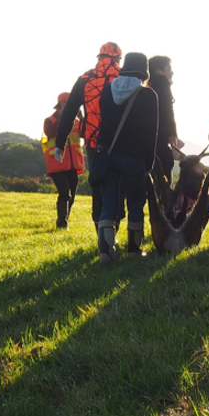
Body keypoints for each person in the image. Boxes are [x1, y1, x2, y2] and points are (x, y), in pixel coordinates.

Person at [94, 52, 160, 264]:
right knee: (135, 202)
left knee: (110, 201)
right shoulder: (148, 95)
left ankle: (106, 251)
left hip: (109, 154)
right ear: (144, 70)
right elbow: (152, 133)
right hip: (135, 157)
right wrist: (149, 162)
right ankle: (134, 249)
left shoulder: (106, 90)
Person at [55, 43, 123, 227]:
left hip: (94, 142)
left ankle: (101, 235)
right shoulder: (124, 77)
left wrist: (60, 143)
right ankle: (114, 228)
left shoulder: (85, 78)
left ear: (99, 57)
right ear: (118, 59)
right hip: (121, 142)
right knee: (118, 185)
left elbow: (69, 111)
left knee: (98, 183)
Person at [42, 91, 85, 228]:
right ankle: (61, 223)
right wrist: (63, 119)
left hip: (73, 165)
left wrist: (82, 118)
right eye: (66, 103)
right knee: (64, 192)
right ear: (59, 105)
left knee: (71, 195)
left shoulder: (78, 122)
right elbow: (50, 133)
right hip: (57, 164)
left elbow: (86, 133)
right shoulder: (50, 121)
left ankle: (64, 219)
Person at [147, 55, 184, 180]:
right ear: (159, 71)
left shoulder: (147, 88)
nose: (172, 72)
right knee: (164, 178)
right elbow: (168, 114)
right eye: (169, 68)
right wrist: (173, 138)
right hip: (161, 141)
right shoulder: (163, 87)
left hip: (148, 143)